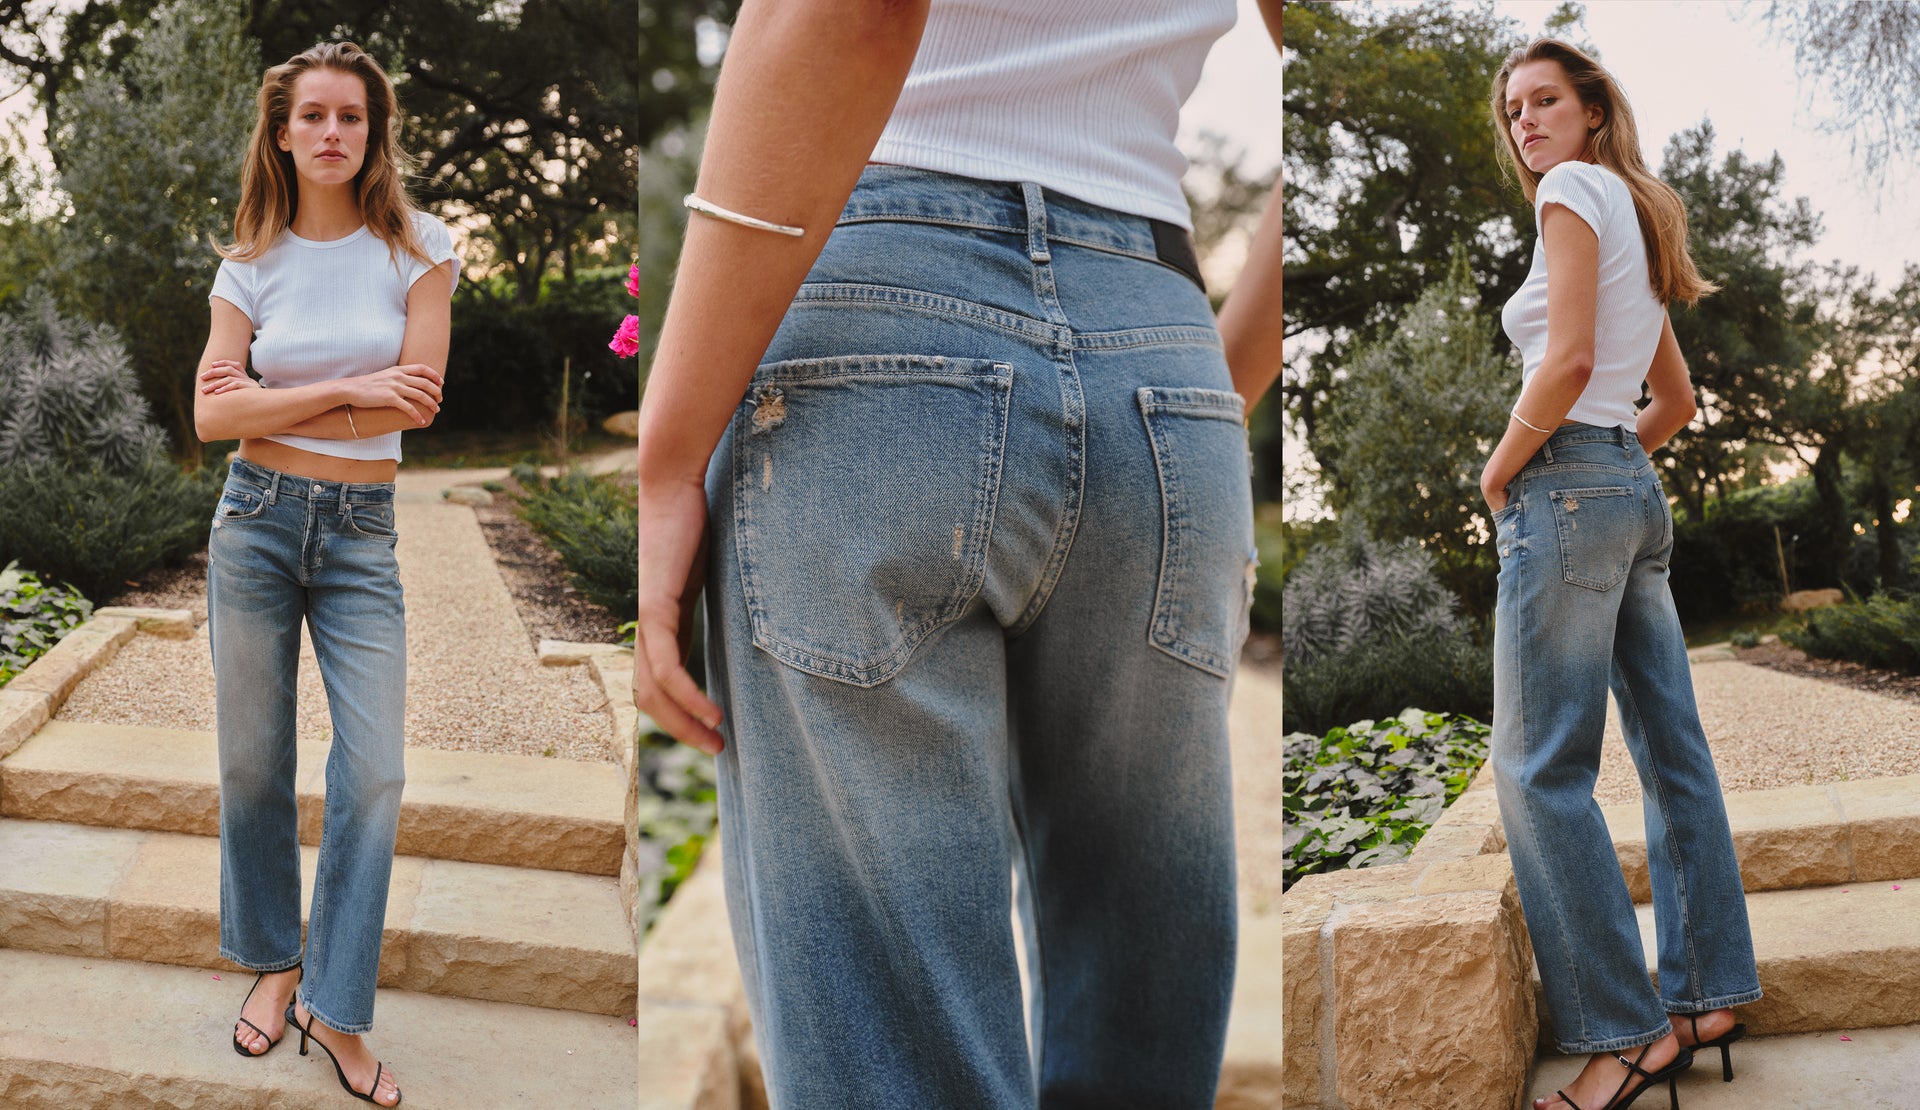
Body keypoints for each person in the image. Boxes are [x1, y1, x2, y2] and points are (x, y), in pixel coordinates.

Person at [630, 0, 1280, 1105]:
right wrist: (1211, 379)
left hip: (875, 324)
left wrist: (668, 458)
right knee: (1141, 991)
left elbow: (847, 13)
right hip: (1161, 345)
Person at [1481, 38, 1761, 1110]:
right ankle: (1705, 996)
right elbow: (1675, 400)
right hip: (1629, 491)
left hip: (1566, 484)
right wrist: (1614, 471)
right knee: (1669, 748)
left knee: (1536, 768)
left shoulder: (1570, 193)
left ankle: (1625, 1035)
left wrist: (1505, 472)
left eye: (1546, 101)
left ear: (1594, 108)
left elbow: (1567, 361)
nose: (1526, 124)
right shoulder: (1637, 212)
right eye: (1515, 111)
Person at [192, 40, 458, 1108]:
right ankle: (275, 962)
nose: (334, 133)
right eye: (314, 116)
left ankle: (336, 1005)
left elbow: (420, 400)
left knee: (378, 767)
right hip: (253, 521)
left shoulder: (421, 248)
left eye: (352, 116)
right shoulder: (247, 261)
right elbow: (212, 417)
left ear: (375, 131)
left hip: (361, 532)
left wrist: (278, 391)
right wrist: (353, 387)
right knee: (253, 762)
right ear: (283, 130)